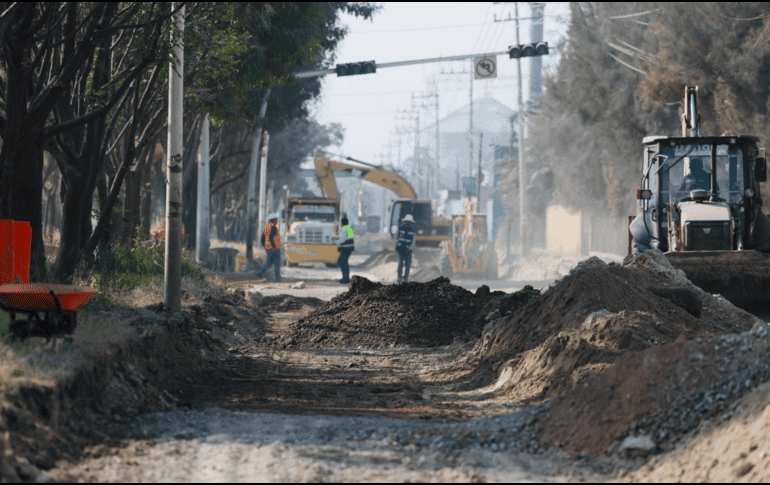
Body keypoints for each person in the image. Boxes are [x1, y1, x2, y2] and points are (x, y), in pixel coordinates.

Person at [255, 213, 282, 282]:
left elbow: (262, 239)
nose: (277, 221)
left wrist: (266, 246)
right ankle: (278, 279)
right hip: (275, 249)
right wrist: (273, 246)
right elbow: (271, 237)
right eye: (276, 220)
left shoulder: (266, 228)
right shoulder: (273, 227)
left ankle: (259, 273)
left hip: (268, 248)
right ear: (273, 220)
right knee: (277, 264)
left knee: (269, 263)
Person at [395, 214, 416, 283]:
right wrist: (397, 245)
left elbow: (413, 242)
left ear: (411, 223)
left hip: (408, 251)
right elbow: (395, 238)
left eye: (409, 222)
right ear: (405, 222)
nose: (408, 223)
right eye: (407, 221)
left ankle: (405, 278)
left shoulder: (413, 231)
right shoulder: (400, 229)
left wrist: (409, 249)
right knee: (400, 263)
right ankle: (399, 277)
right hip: (400, 250)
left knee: (408, 264)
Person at [334, 216, 355, 284]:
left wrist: (335, 242)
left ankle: (346, 278)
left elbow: (342, 240)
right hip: (349, 248)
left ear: (342, 223)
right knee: (343, 262)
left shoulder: (344, 229)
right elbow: (348, 238)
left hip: (345, 248)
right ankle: (346, 277)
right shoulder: (349, 228)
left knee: (342, 262)